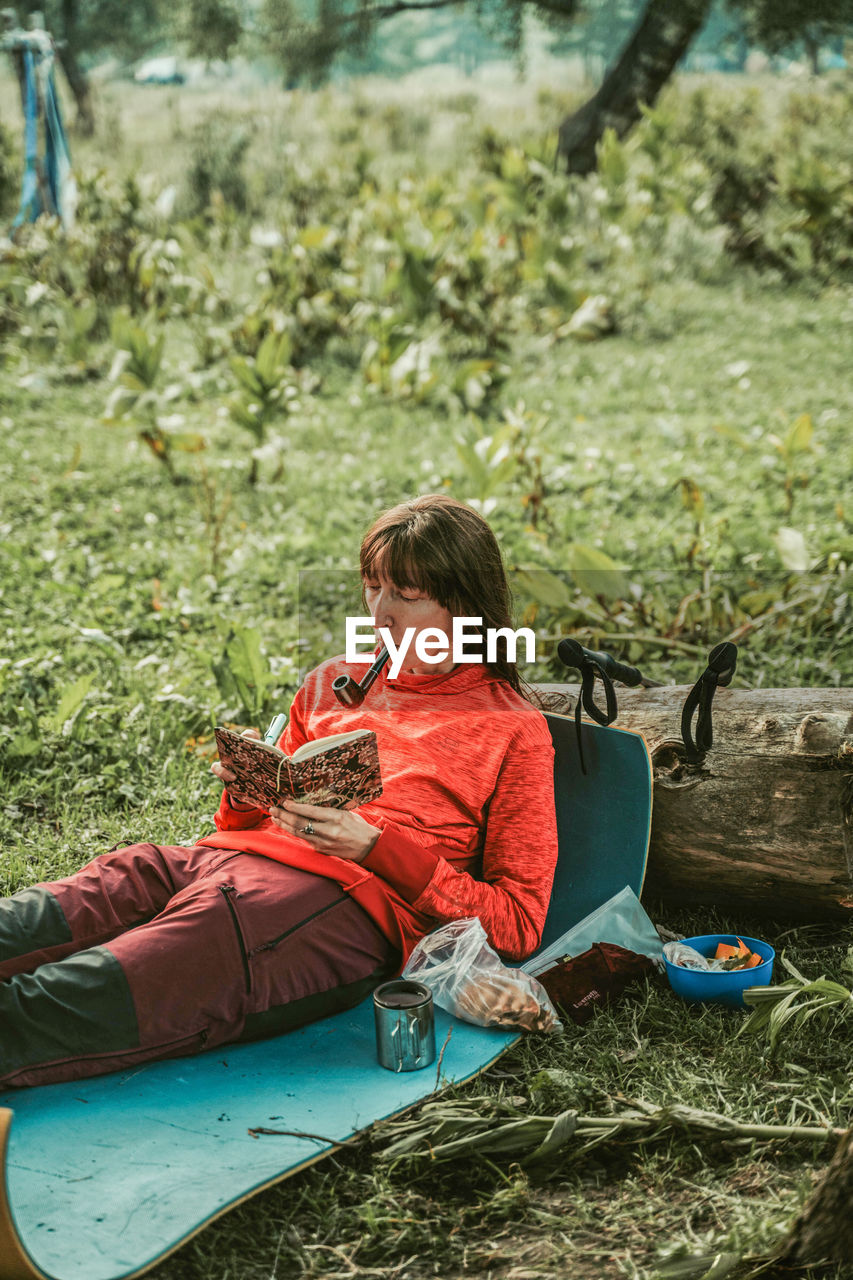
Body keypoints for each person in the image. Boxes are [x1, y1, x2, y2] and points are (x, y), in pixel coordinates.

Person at [0, 495, 558, 1089]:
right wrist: (245, 793)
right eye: (373, 587)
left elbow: (519, 922)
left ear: (467, 605)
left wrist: (375, 847)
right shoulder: (330, 682)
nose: (380, 613)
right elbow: (249, 825)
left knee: (51, 1002)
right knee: (35, 918)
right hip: (208, 862)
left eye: (407, 595)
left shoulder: (511, 728)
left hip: (326, 905)